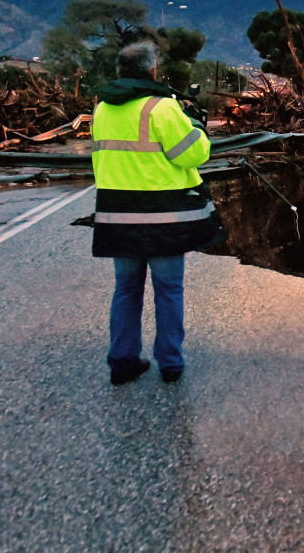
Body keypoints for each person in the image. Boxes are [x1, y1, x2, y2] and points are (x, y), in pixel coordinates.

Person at [91, 42, 222, 385]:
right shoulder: (162, 108)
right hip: (163, 218)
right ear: (152, 72)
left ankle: (122, 362)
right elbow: (192, 155)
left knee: (126, 290)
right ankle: (171, 363)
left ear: (120, 72)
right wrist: (197, 127)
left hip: (118, 216)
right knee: (168, 290)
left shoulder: (102, 110)